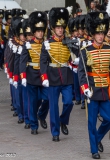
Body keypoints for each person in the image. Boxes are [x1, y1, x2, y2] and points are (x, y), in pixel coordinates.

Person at [78, 12, 110, 159]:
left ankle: (97, 139)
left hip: (105, 90)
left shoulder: (109, 49)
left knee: (109, 119)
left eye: (102, 32)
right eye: (98, 33)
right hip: (92, 90)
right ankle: (94, 150)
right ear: (93, 34)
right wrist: (85, 88)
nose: (101, 36)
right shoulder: (85, 51)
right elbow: (81, 73)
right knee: (92, 122)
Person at [40, 7, 74, 142]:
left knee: (69, 103)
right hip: (53, 76)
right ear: (53, 28)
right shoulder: (47, 43)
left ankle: (63, 121)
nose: (60, 29)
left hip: (66, 76)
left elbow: (73, 58)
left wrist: (75, 61)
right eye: (58, 27)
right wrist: (44, 77)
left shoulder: (69, 42)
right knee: (53, 107)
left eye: (62, 27)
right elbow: (43, 62)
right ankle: (55, 132)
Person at [20, 11, 49, 134]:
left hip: (44, 76)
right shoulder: (28, 45)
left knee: (47, 99)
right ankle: (33, 125)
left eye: (42, 31)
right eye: (38, 31)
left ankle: (41, 116)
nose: (40, 33)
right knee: (33, 101)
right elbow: (22, 61)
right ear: (34, 32)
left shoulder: (47, 44)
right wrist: (23, 76)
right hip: (32, 75)